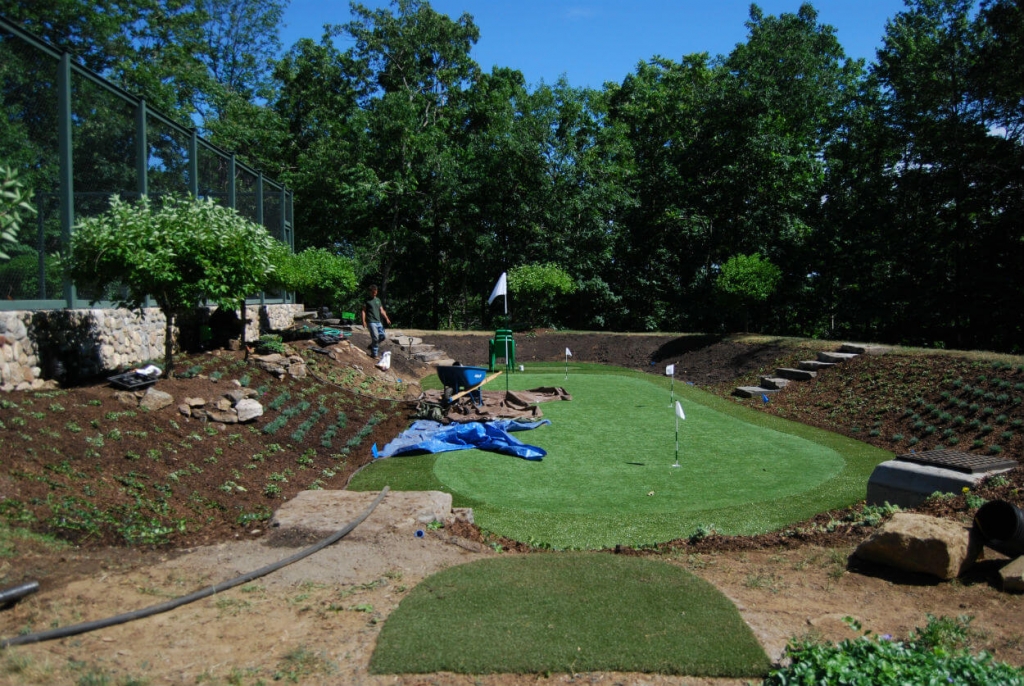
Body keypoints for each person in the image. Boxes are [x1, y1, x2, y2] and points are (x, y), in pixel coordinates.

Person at [361, 284, 391, 359]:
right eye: (373, 292)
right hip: (371, 322)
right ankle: (374, 354)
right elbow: (363, 311)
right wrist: (363, 321)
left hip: (378, 322)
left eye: (375, 292)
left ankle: (372, 345)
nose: (374, 293)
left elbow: (381, 310)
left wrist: (386, 318)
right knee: (375, 338)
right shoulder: (367, 300)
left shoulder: (378, 300)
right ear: (370, 292)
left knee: (383, 336)